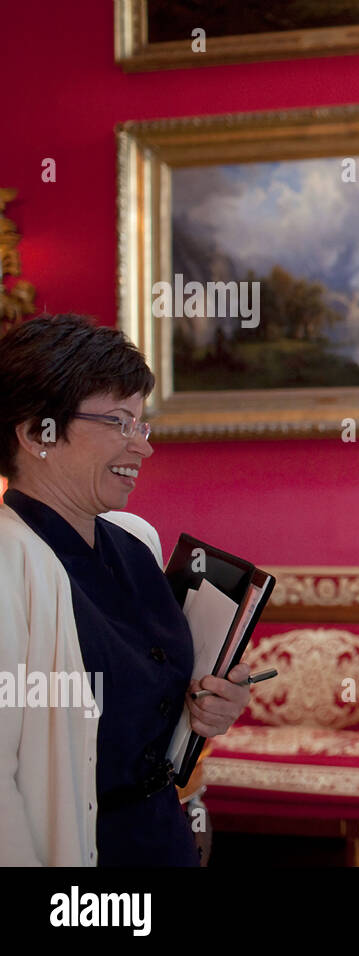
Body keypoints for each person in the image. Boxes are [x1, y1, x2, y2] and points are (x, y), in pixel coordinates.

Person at [0, 315, 251, 867]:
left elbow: (156, 703)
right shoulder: (8, 564)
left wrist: (208, 708)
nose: (144, 448)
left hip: (159, 835)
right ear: (36, 432)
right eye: (119, 422)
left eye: (142, 425)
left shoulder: (135, 542)